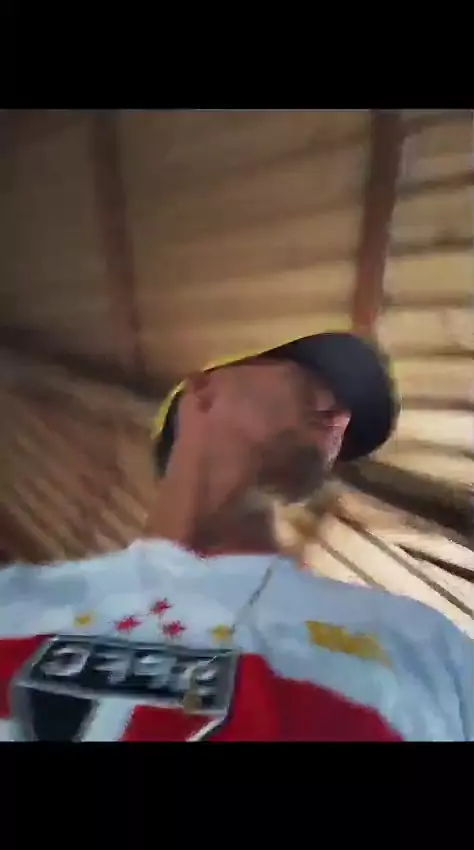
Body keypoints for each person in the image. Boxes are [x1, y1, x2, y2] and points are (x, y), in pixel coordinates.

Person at [0, 332, 472, 742]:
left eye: (346, 416)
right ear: (205, 390)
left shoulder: (423, 645)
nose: (339, 416)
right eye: (311, 382)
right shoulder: (15, 604)